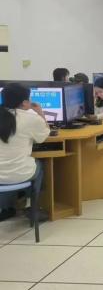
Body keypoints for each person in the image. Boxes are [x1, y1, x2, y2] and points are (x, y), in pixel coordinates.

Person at [0, 84, 50, 222]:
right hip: (20, 174)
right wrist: (40, 113)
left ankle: (6, 208)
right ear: (24, 102)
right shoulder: (30, 119)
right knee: (39, 165)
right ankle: (32, 207)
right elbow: (43, 136)